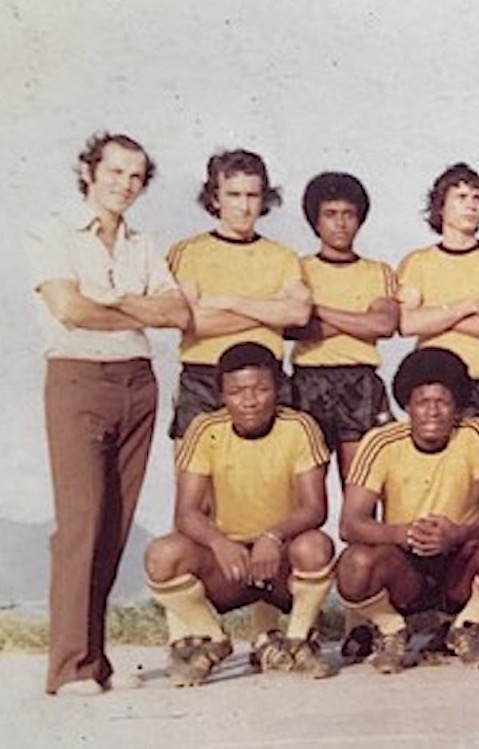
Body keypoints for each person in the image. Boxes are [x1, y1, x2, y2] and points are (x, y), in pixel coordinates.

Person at [32, 132, 189, 696]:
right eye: (115, 172)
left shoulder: (143, 244)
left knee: (114, 527)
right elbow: (69, 309)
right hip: (77, 379)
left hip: (137, 384)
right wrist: (132, 308)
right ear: (88, 170)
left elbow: (174, 311)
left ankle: (94, 661)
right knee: (82, 522)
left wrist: (112, 302)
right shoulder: (55, 232)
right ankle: (69, 665)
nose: (125, 184)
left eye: (136, 176)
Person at [143, 343, 336, 686]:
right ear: (222, 394)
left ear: (277, 389)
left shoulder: (299, 427)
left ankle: (297, 641)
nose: (249, 401)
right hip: (231, 564)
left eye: (261, 390)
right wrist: (219, 543)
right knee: (163, 554)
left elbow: (315, 507)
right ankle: (213, 639)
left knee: (316, 546)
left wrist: (272, 536)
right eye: (236, 392)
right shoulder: (205, 429)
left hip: (279, 561)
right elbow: (186, 512)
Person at [336, 348, 479, 673]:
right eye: (423, 402)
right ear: (407, 406)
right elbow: (350, 523)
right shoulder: (381, 442)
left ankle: (464, 627)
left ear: (457, 408)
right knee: (354, 564)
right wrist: (401, 532)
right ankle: (392, 629)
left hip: (458, 560)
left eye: (443, 402)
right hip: (405, 565)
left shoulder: (475, 434)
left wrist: (458, 533)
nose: (433, 412)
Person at [166, 149, 309, 440]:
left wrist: (230, 302)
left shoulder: (283, 256)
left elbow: (299, 314)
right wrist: (270, 314)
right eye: (233, 195)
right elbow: (195, 322)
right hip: (203, 380)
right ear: (215, 198)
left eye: (252, 196)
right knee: (196, 482)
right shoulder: (188, 252)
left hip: (267, 381)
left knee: (270, 483)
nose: (244, 207)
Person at [397, 162, 479, 447]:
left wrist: (437, 317)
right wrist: (465, 307)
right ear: (440, 207)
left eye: (477, 198)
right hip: (435, 386)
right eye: (461, 198)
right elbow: (406, 323)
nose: (471, 206)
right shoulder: (418, 262)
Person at [287, 171, 398, 483]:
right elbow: (293, 326)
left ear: (360, 219)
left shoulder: (379, 271)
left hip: (360, 382)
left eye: (348, 214)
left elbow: (384, 323)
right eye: (330, 215)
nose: (340, 223)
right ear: (315, 221)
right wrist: (358, 320)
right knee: (304, 492)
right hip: (308, 382)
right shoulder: (298, 267)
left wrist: (318, 311)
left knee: (361, 488)